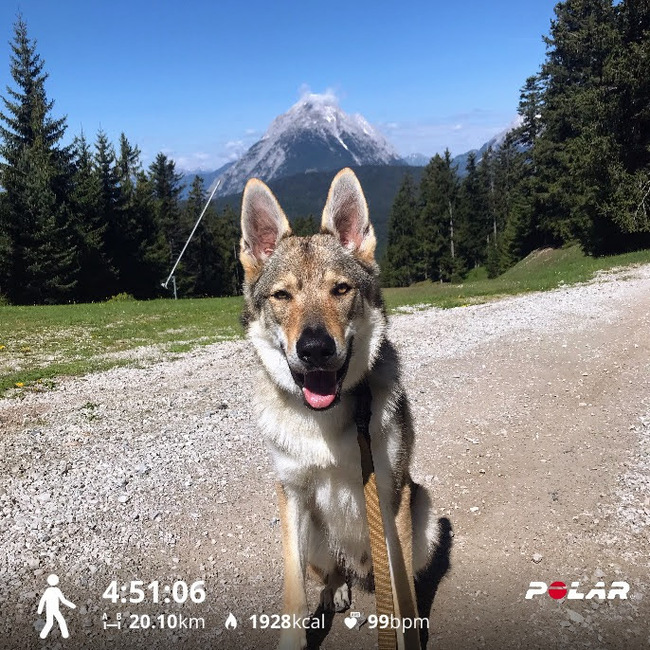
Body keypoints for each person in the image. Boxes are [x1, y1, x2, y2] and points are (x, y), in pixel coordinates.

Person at [37, 574, 76, 639]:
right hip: (55, 609)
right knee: (61, 621)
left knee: (50, 623)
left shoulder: (48, 590)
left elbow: (42, 600)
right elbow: (63, 600)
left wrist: (39, 610)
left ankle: (43, 635)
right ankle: (65, 634)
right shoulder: (57, 590)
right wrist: (72, 605)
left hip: (49, 609)